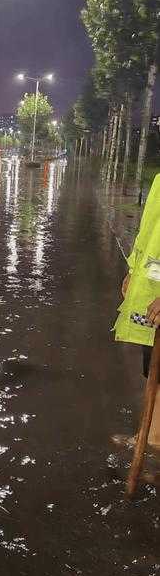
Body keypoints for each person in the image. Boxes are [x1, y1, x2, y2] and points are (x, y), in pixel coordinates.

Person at [115, 174, 160, 446]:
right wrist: (134, 270)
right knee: (155, 368)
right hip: (154, 294)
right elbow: (150, 231)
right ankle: (152, 438)